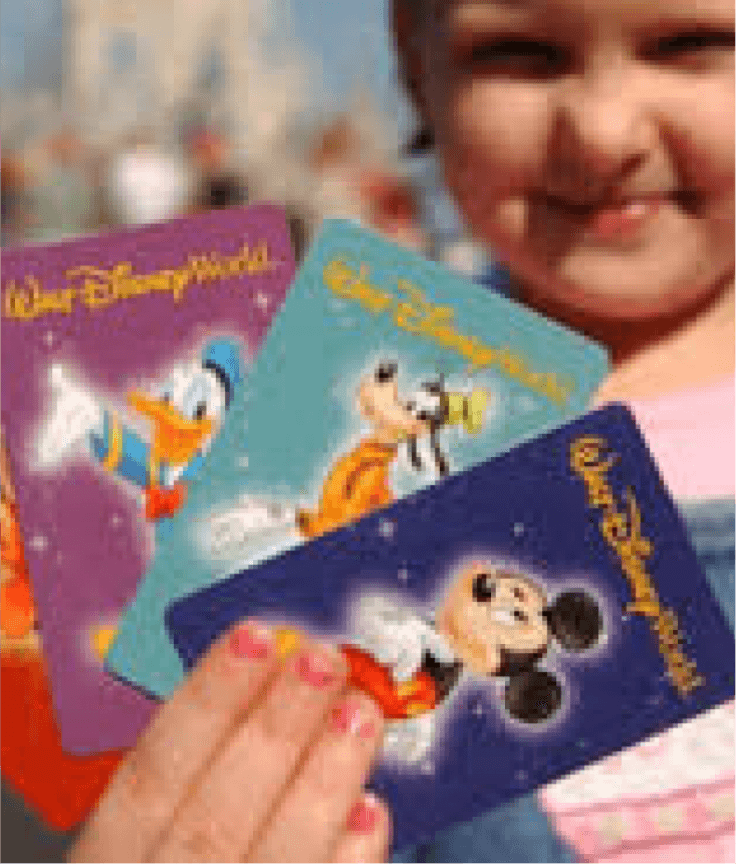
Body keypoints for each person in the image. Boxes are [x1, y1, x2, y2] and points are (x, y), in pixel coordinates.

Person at [69, 0, 735, 862]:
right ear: (416, 62)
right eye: (519, 51)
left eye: (694, 42)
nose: (602, 133)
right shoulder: (277, 443)